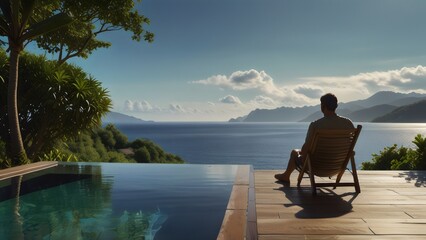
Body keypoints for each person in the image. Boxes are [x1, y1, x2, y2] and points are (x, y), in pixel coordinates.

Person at [274, 93, 354, 183]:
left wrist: (301, 153)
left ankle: (286, 176)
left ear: (323, 106)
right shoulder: (348, 123)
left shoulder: (316, 125)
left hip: (317, 167)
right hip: (338, 167)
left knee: (294, 152)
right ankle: (285, 175)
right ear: (336, 106)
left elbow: (304, 151)